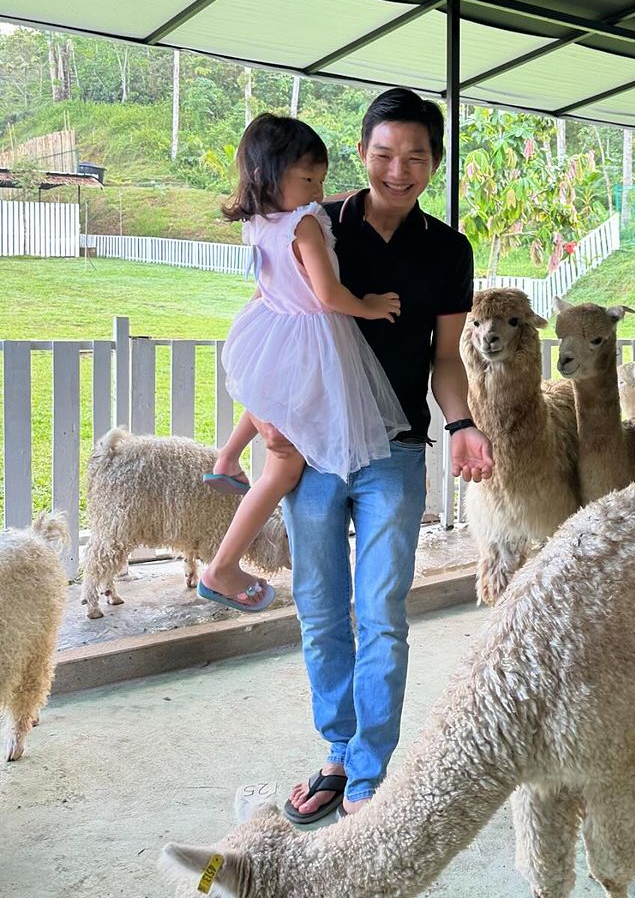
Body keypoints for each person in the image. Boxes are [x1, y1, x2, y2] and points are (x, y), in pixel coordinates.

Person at [274, 88, 494, 823]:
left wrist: (461, 423)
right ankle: (337, 753)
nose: (399, 169)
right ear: (363, 151)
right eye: (384, 153)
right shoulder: (315, 224)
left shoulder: (447, 249)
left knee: (383, 612)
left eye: (416, 155)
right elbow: (273, 324)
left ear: (434, 160)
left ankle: (369, 773)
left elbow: (446, 357)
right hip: (312, 449)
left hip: (396, 450)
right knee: (319, 608)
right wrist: (269, 420)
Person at [198, 114, 409, 612]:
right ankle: (222, 568)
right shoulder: (305, 225)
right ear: (270, 176)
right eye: (307, 178)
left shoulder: (260, 220)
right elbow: (328, 293)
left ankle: (227, 459)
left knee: (271, 395)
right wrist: (371, 305)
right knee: (286, 464)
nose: (317, 190)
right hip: (313, 336)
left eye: (320, 179)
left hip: (272, 329)